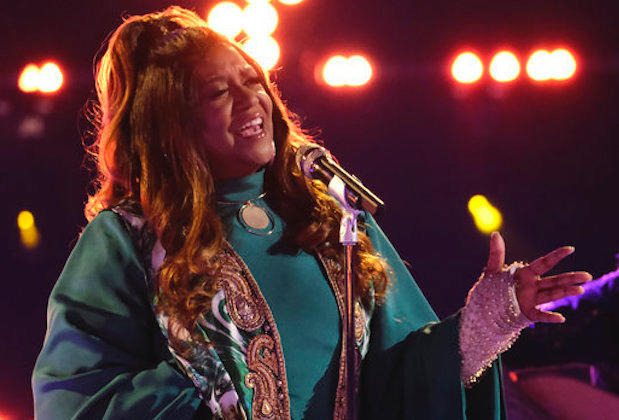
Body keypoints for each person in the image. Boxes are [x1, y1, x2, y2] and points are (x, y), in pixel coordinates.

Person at [31, 6, 591, 419]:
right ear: (169, 122)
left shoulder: (330, 220)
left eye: (253, 80)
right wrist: (206, 384)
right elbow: (74, 401)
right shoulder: (129, 238)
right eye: (217, 92)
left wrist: (486, 322)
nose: (251, 100)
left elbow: (396, 382)